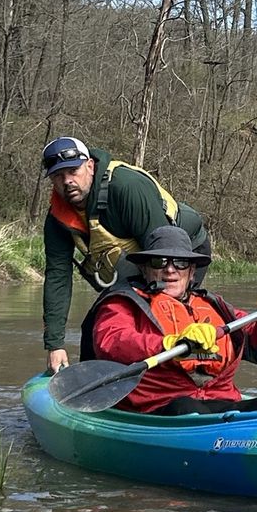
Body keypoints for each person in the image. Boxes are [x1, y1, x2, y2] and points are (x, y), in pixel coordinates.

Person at [77, 224, 257, 415]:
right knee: (186, 407)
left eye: (180, 263)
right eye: (160, 262)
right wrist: (168, 344)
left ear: (191, 272)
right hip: (158, 407)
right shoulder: (123, 302)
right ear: (145, 269)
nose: (170, 270)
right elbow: (111, 341)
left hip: (220, 404)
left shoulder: (215, 306)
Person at [41, 136, 210, 372]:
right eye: (58, 176)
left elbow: (165, 253)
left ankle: (188, 376)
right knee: (96, 326)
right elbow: (58, 277)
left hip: (181, 254)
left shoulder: (126, 188)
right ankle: (96, 387)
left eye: (73, 171)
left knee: (160, 319)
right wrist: (55, 345)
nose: (67, 181)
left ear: (89, 166)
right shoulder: (57, 219)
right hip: (138, 265)